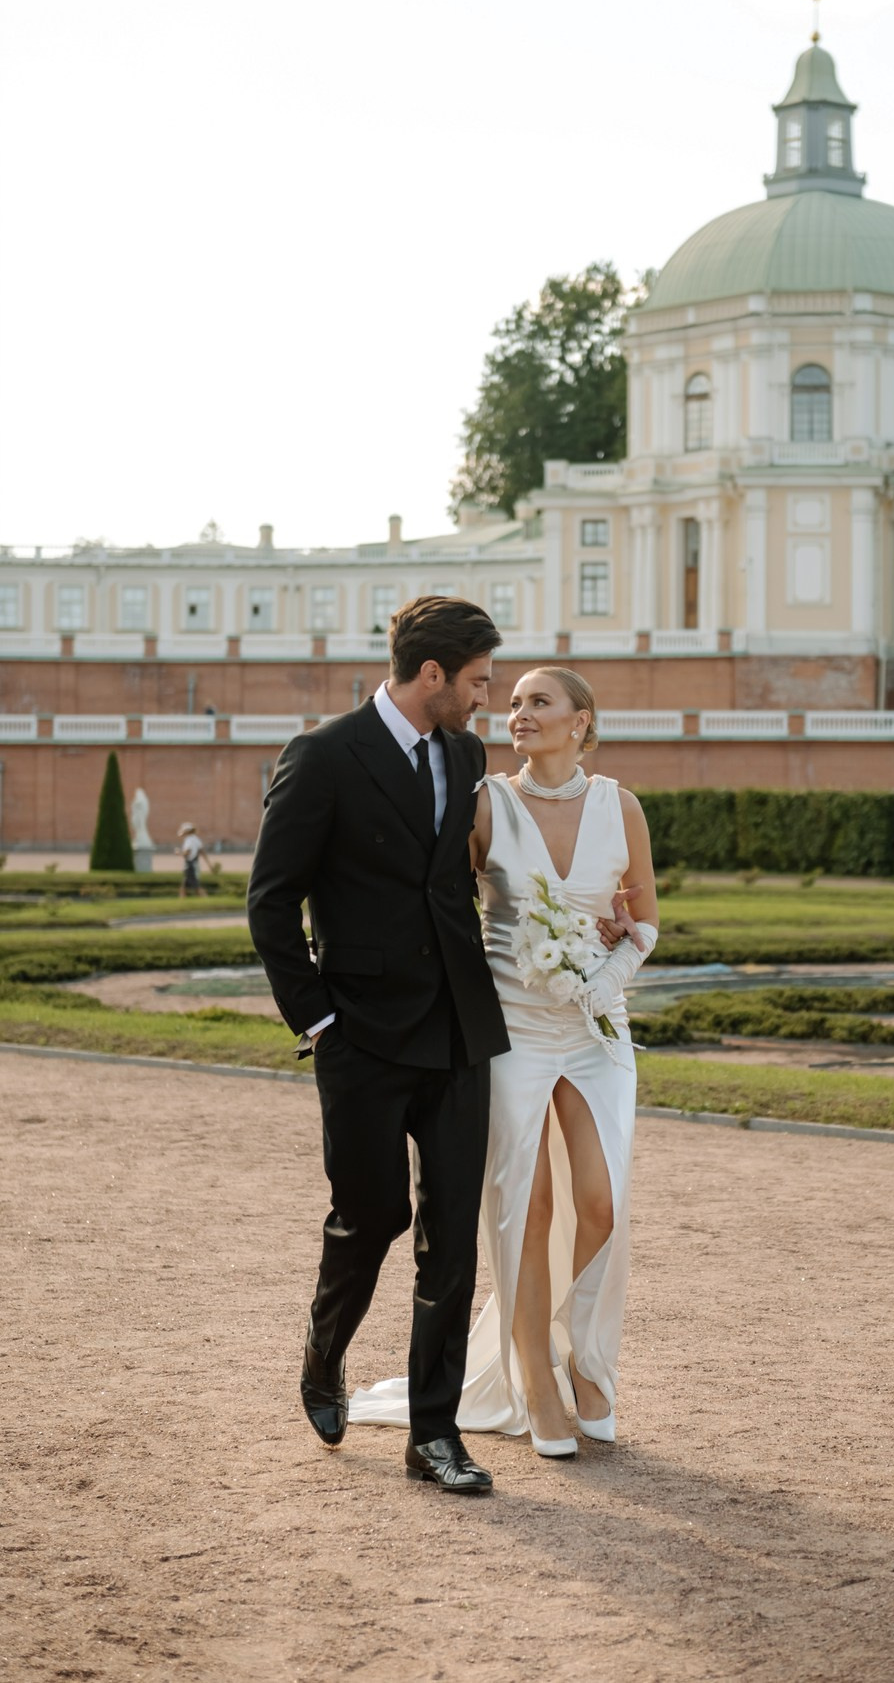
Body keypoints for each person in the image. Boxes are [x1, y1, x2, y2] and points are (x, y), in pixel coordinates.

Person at [350, 666, 659, 1458]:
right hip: (512, 1025)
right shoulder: (487, 802)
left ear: (581, 721)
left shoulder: (620, 806)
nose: (517, 713)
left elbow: (645, 921)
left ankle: (585, 1356)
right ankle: (536, 1375)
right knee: (527, 1203)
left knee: (604, 1203)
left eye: (538, 702)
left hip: (598, 1028)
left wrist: (603, 977)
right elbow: (440, 901)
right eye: (513, 702)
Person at [247, 595, 510, 1495]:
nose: (488, 697)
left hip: (460, 1029)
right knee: (374, 1218)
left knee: (452, 1237)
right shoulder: (322, 756)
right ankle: (324, 1356)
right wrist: (316, 1019)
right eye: (478, 681)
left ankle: (433, 1437)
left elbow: (464, 881)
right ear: (432, 675)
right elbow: (271, 902)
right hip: (359, 1035)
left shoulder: (467, 753)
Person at [175, 822, 212, 897]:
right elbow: (202, 852)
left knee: (196, 886)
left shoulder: (188, 840)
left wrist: (179, 852)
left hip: (190, 865)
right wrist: (210, 865)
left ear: (186, 831)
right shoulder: (196, 839)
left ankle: (205, 898)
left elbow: (187, 853)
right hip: (195, 864)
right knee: (184, 886)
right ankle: (182, 900)